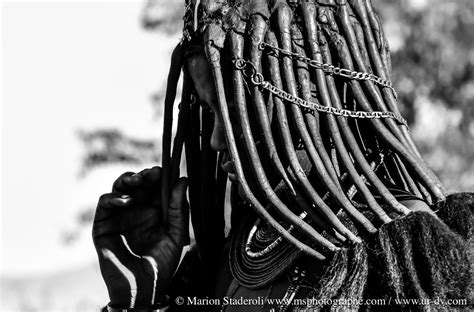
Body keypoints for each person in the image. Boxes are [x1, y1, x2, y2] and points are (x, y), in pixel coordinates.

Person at [93, 0, 473, 311]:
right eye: (211, 113)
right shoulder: (224, 262)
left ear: (313, 100)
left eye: (236, 113)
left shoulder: (407, 256)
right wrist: (139, 300)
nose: (215, 141)